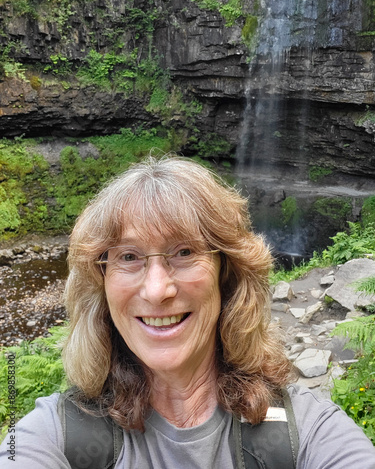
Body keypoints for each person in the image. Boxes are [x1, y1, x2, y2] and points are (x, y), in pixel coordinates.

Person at [1, 154, 375, 468]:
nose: (157, 289)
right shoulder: (55, 435)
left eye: (184, 252)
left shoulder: (308, 431)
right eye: (128, 257)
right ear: (101, 282)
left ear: (225, 274)